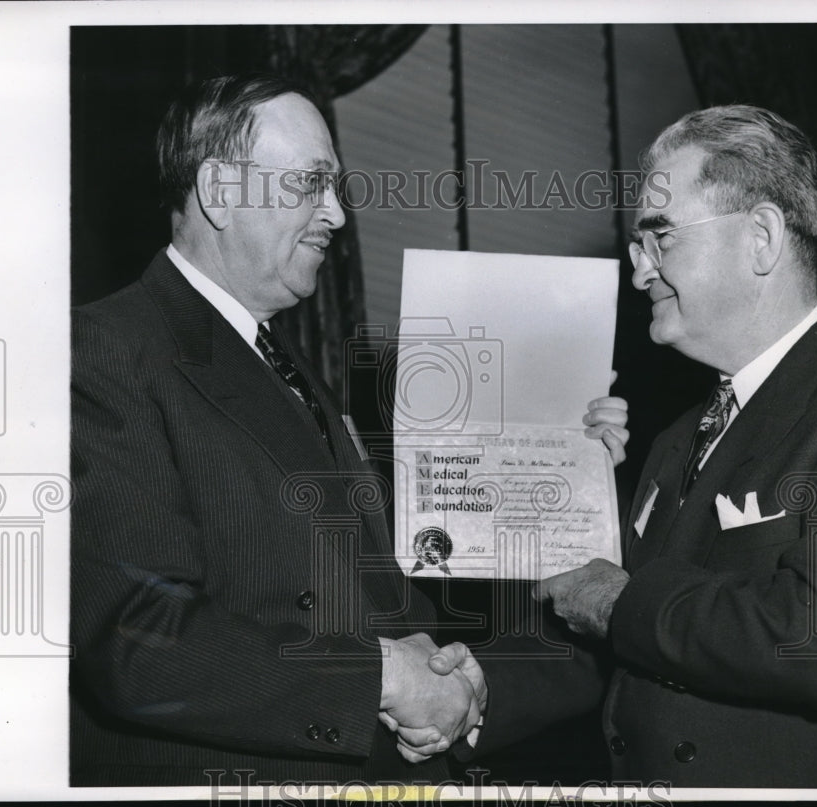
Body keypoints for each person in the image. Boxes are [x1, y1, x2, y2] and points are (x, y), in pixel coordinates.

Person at [70, 72, 598, 787]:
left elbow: (389, 602)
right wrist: (383, 676)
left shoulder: (293, 372)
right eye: (312, 184)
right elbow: (141, 639)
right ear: (221, 192)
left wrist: (575, 474)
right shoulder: (103, 351)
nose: (338, 216)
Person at [532, 105, 817, 788]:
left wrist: (618, 599)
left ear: (761, 237)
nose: (638, 271)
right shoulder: (675, 439)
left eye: (660, 237)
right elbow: (627, 653)